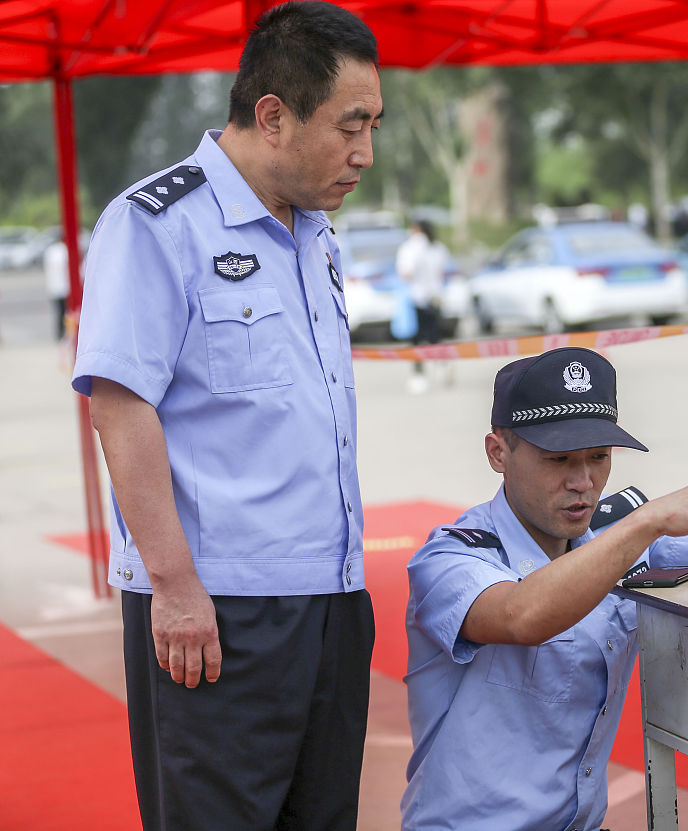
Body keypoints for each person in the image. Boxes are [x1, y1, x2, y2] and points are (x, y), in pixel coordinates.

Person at [69, 4, 383, 829]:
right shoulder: (156, 225)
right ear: (272, 116)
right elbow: (120, 404)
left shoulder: (316, 235)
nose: (366, 153)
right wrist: (173, 587)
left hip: (332, 598)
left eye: (374, 125)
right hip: (217, 610)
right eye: (350, 126)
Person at [402, 346, 688, 831]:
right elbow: (522, 615)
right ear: (499, 453)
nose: (583, 482)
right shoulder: (452, 557)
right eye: (558, 459)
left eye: (599, 458)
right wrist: (648, 522)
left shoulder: (614, 536)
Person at [395, 218, 448, 392]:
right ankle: (443, 369)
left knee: (416, 339)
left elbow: (406, 274)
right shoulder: (437, 247)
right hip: (435, 297)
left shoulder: (410, 247)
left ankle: (419, 375)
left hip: (416, 298)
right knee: (435, 336)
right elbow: (442, 272)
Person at [42, 231, 69, 340]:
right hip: (65, 288)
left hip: (53, 287)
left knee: (59, 312)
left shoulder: (51, 251)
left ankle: (59, 334)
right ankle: (65, 334)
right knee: (66, 313)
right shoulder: (65, 251)